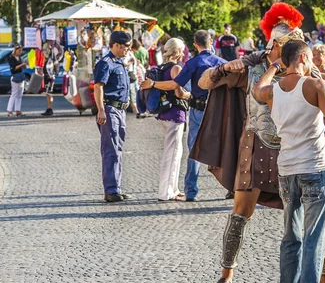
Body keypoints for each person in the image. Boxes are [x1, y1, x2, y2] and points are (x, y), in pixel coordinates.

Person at [193, 3, 325, 283]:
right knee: (240, 213)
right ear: (275, 44)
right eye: (288, 45)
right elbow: (203, 83)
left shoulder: (306, 71)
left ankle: (324, 280)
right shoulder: (251, 68)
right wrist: (224, 67)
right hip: (256, 145)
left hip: (297, 151)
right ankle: (226, 276)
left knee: (315, 219)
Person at [253, 40, 325, 283]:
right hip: (315, 167)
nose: (313, 63)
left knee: (291, 235)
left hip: (287, 170)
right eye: (309, 58)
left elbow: (256, 89)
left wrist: (275, 66)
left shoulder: (273, 91)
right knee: (314, 235)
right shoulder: (314, 86)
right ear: (302, 57)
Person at [142, 30, 226, 201]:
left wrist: (153, 84)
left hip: (197, 109)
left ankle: (191, 191)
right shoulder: (222, 62)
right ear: (211, 41)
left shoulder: (192, 63)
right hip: (218, 110)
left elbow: (175, 84)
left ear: (195, 44)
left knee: (194, 150)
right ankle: (231, 186)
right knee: (224, 148)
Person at [93, 31, 133, 203]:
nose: (127, 50)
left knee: (118, 150)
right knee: (111, 150)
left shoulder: (119, 63)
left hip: (120, 111)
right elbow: (98, 87)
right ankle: (111, 190)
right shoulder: (105, 63)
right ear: (115, 45)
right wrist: (100, 109)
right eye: (125, 47)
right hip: (110, 109)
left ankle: (116, 186)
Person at [152, 38, 192, 201]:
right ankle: (166, 192)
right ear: (176, 51)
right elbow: (179, 92)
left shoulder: (161, 67)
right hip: (175, 113)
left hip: (164, 113)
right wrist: (191, 94)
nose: (183, 53)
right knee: (173, 153)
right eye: (181, 50)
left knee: (174, 151)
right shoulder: (176, 68)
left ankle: (172, 188)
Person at [7, 45, 27, 117]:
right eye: (19, 50)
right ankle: (9, 111)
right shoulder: (11, 58)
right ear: (15, 50)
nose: (20, 52)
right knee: (14, 93)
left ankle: (18, 110)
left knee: (19, 94)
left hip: (20, 76)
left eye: (21, 50)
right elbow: (13, 68)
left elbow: (23, 67)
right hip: (15, 76)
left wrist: (24, 65)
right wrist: (21, 65)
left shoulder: (20, 58)